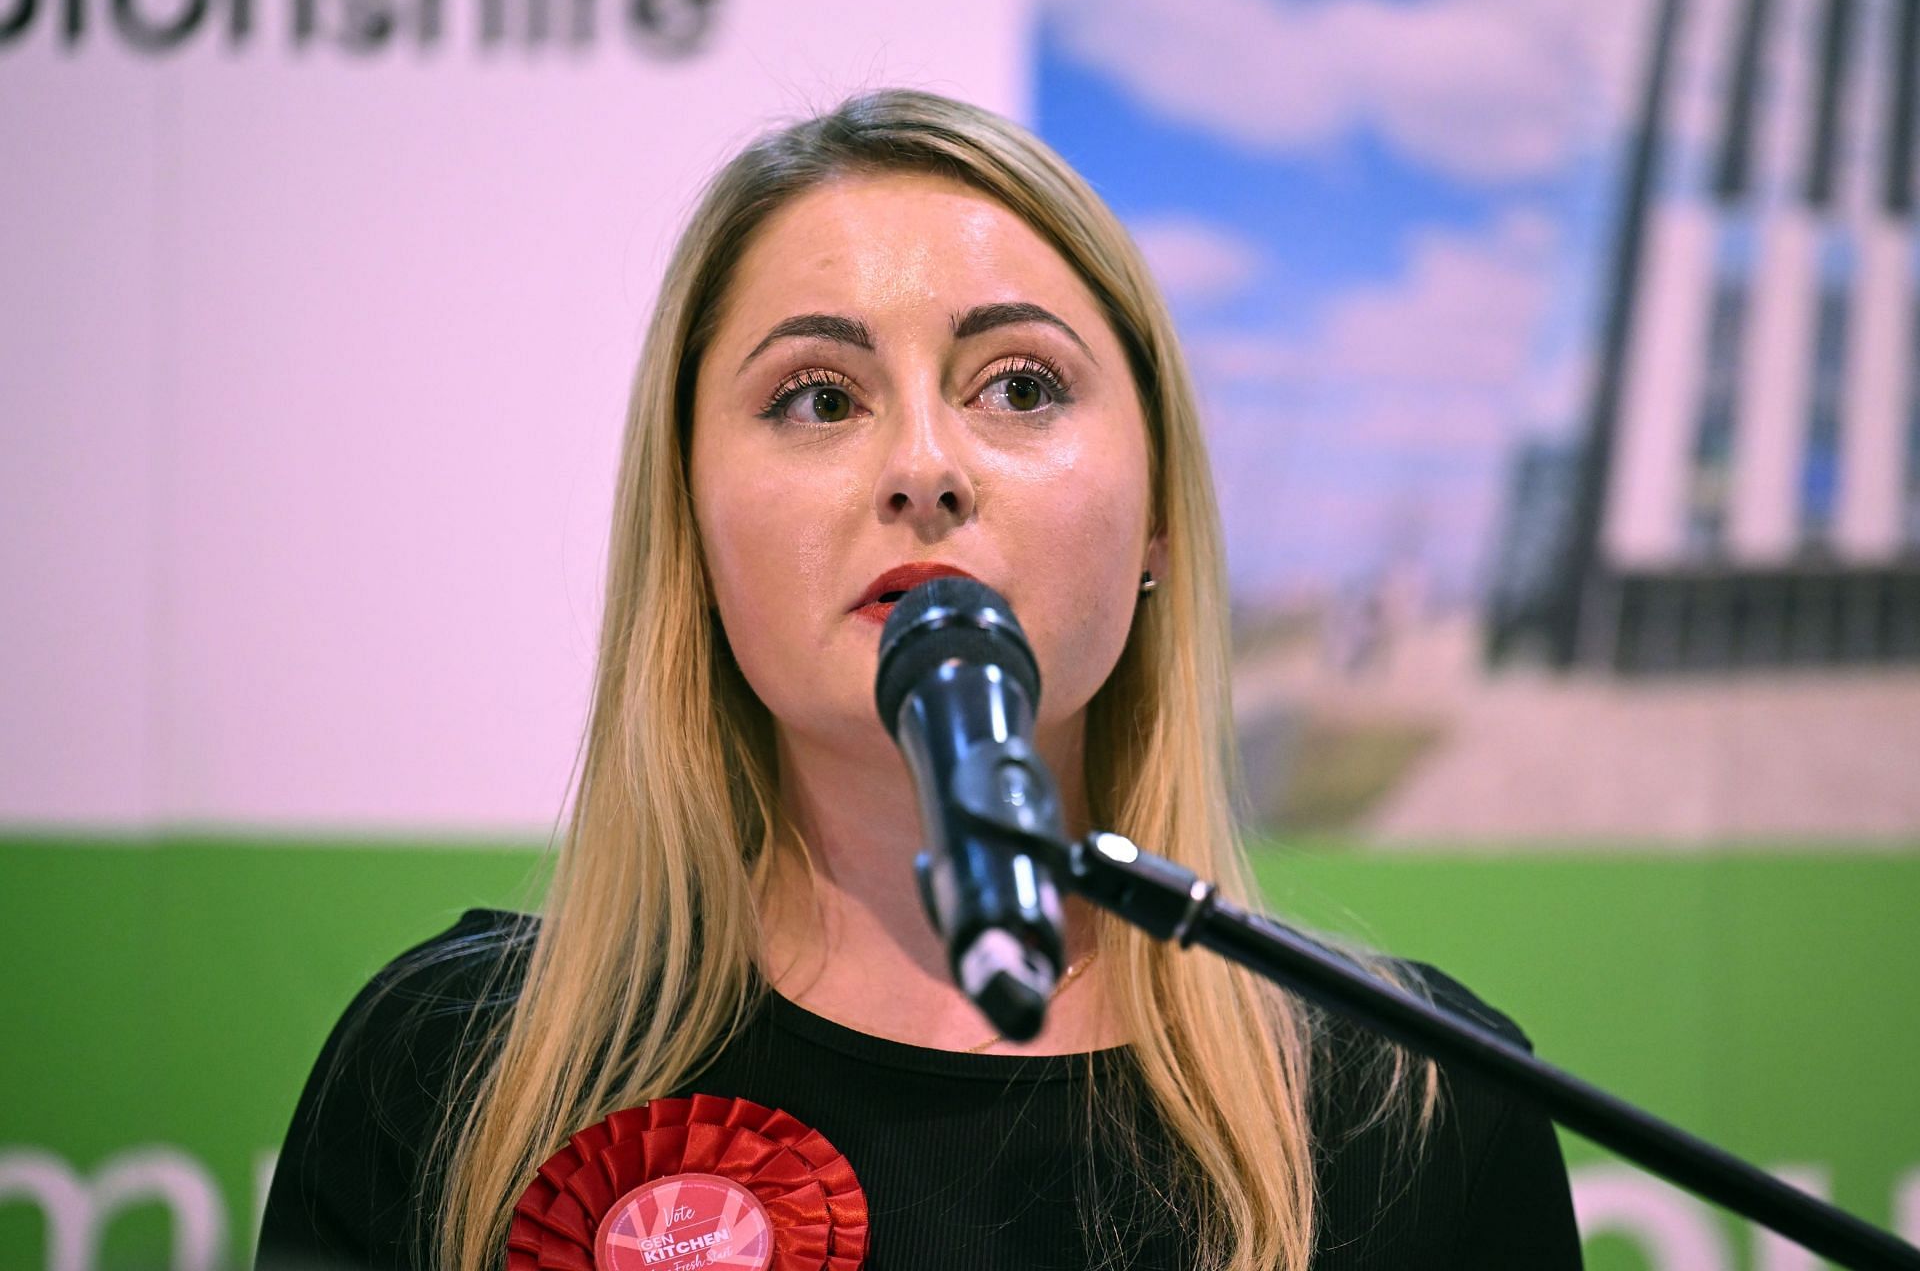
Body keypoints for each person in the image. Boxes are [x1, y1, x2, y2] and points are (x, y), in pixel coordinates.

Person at [257, 88, 1582, 1271]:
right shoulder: (442, 1076)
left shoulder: (1417, 1108)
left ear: (1159, 516)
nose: (925, 466)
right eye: (820, 399)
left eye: (1019, 384)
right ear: (693, 525)